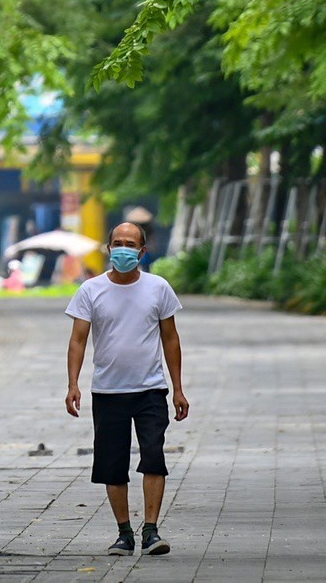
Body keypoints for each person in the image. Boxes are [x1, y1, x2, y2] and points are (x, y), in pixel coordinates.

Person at [65, 221, 189, 557]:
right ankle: (124, 533)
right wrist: (73, 383)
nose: (123, 248)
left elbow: (170, 338)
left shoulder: (158, 288)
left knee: (153, 458)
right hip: (108, 392)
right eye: (117, 242)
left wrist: (178, 388)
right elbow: (78, 339)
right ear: (108, 248)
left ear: (142, 251)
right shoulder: (90, 290)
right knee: (112, 464)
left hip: (151, 390)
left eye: (130, 243)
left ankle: (151, 530)